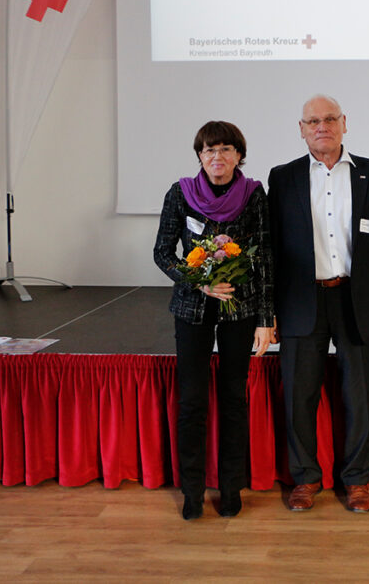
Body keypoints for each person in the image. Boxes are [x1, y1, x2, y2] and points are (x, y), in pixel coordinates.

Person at [268, 94, 369, 514]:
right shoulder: (283, 177)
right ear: (302, 128)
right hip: (301, 301)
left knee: (359, 396)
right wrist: (268, 311)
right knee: (300, 396)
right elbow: (272, 248)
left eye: (329, 119)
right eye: (313, 121)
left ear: (344, 123)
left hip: (357, 300)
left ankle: (358, 481)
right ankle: (306, 478)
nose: (322, 127)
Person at [153, 120, 276, 521]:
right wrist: (198, 282)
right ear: (199, 157)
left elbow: (264, 258)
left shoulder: (254, 195)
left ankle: (229, 487)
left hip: (240, 311)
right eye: (209, 150)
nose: (217, 157)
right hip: (192, 309)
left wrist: (265, 318)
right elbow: (163, 253)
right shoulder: (180, 193)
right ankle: (191, 490)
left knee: (233, 399)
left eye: (225, 149)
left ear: (239, 155)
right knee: (191, 400)